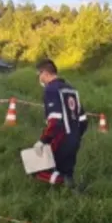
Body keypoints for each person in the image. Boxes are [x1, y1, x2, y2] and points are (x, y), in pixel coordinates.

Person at [31, 59, 88, 190]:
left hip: (60, 138)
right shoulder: (72, 90)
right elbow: (83, 120)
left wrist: (43, 141)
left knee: (38, 168)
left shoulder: (51, 90)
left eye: (39, 75)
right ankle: (69, 192)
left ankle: (67, 186)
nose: (39, 78)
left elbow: (55, 121)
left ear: (44, 73)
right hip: (74, 138)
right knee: (66, 170)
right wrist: (76, 136)